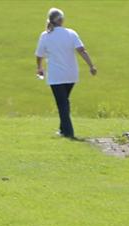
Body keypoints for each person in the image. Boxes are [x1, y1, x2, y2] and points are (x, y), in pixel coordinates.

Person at [34, 8, 96, 139]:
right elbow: (82, 50)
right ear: (61, 20)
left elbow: (39, 55)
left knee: (62, 103)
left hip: (56, 76)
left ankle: (68, 133)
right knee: (64, 101)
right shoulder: (71, 33)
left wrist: (39, 68)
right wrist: (91, 66)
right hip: (71, 75)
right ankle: (63, 130)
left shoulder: (45, 36)